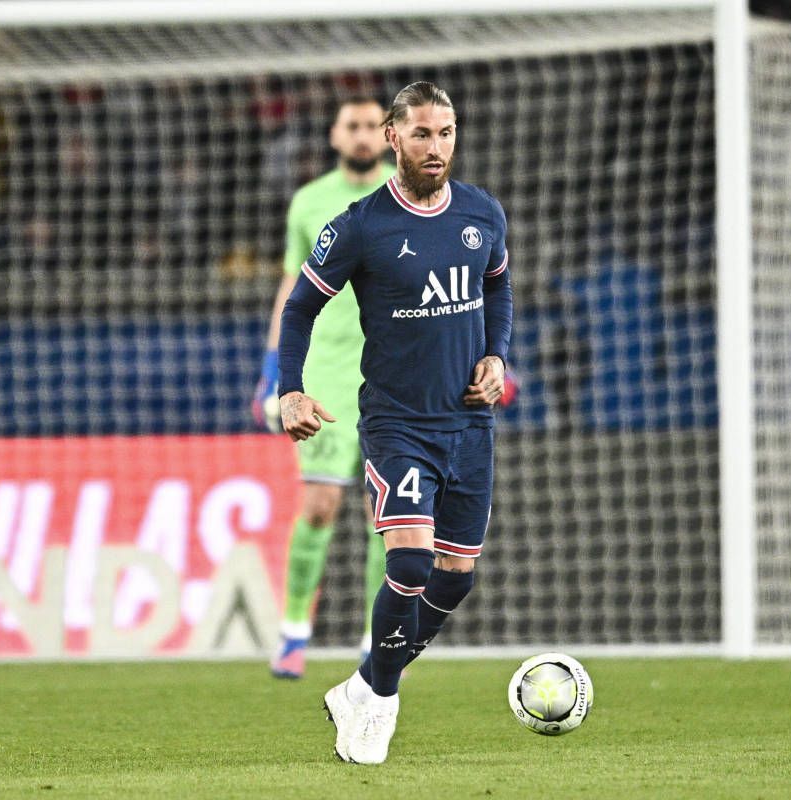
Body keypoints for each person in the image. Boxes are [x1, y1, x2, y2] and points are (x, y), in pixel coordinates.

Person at [277, 81, 512, 765]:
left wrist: (497, 353)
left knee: (456, 576)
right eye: (421, 134)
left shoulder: (481, 212)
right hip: (398, 422)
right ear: (393, 138)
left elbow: (497, 286)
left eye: (446, 133)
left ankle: (363, 686)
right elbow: (298, 309)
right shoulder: (359, 225)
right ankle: (380, 704)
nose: (436, 147)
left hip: (469, 425)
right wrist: (289, 390)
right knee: (408, 561)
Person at [255, 96, 397, 679]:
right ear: (336, 136)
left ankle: (376, 640)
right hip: (324, 372)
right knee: (319, 505)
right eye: (352, 126)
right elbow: (292, 286)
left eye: (372, 126)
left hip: (393, 372)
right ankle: (293, 634)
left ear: (388, 136)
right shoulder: (309, 201)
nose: (363, 136)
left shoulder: (409, 193)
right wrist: (272, 372)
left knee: (384, 514)